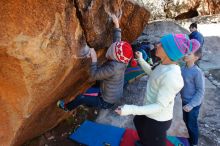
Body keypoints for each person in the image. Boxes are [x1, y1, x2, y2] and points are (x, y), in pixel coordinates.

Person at [115, 34, 201, 146]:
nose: (157, 45)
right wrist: (141, 60)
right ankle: (145, 142)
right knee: (138, 121)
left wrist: (129, 109)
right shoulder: (163, 65)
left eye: (162, 45)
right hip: (149, 110)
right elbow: (153, 73)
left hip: (158, 119)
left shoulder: (171, 77)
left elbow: (159, 106)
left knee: (153, 140)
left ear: (169, 52)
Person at [57, 14, 136, 112]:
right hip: (114, 93)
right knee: (94, 87)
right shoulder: (122, 60)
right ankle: (90, 102)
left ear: (115, 55)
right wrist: (117, 26)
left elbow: (93, 75)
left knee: (81, 98)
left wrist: (94, 59)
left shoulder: (113, 68)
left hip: (106, 101)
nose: (111, 47)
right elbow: (117, 42)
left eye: (112, 49)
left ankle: (66, 108)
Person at [181, 48, 205, 146]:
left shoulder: (197, 72)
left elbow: (201, 90)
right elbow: (180, 85)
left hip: (193, 104)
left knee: (192, 124)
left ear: (196, 57)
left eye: (189, 54)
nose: (185, 54)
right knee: (186, 121)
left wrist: (191, 105)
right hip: (184, 101)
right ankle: (190, 140)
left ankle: (194, 143)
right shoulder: (182, 69)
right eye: (185, 52)